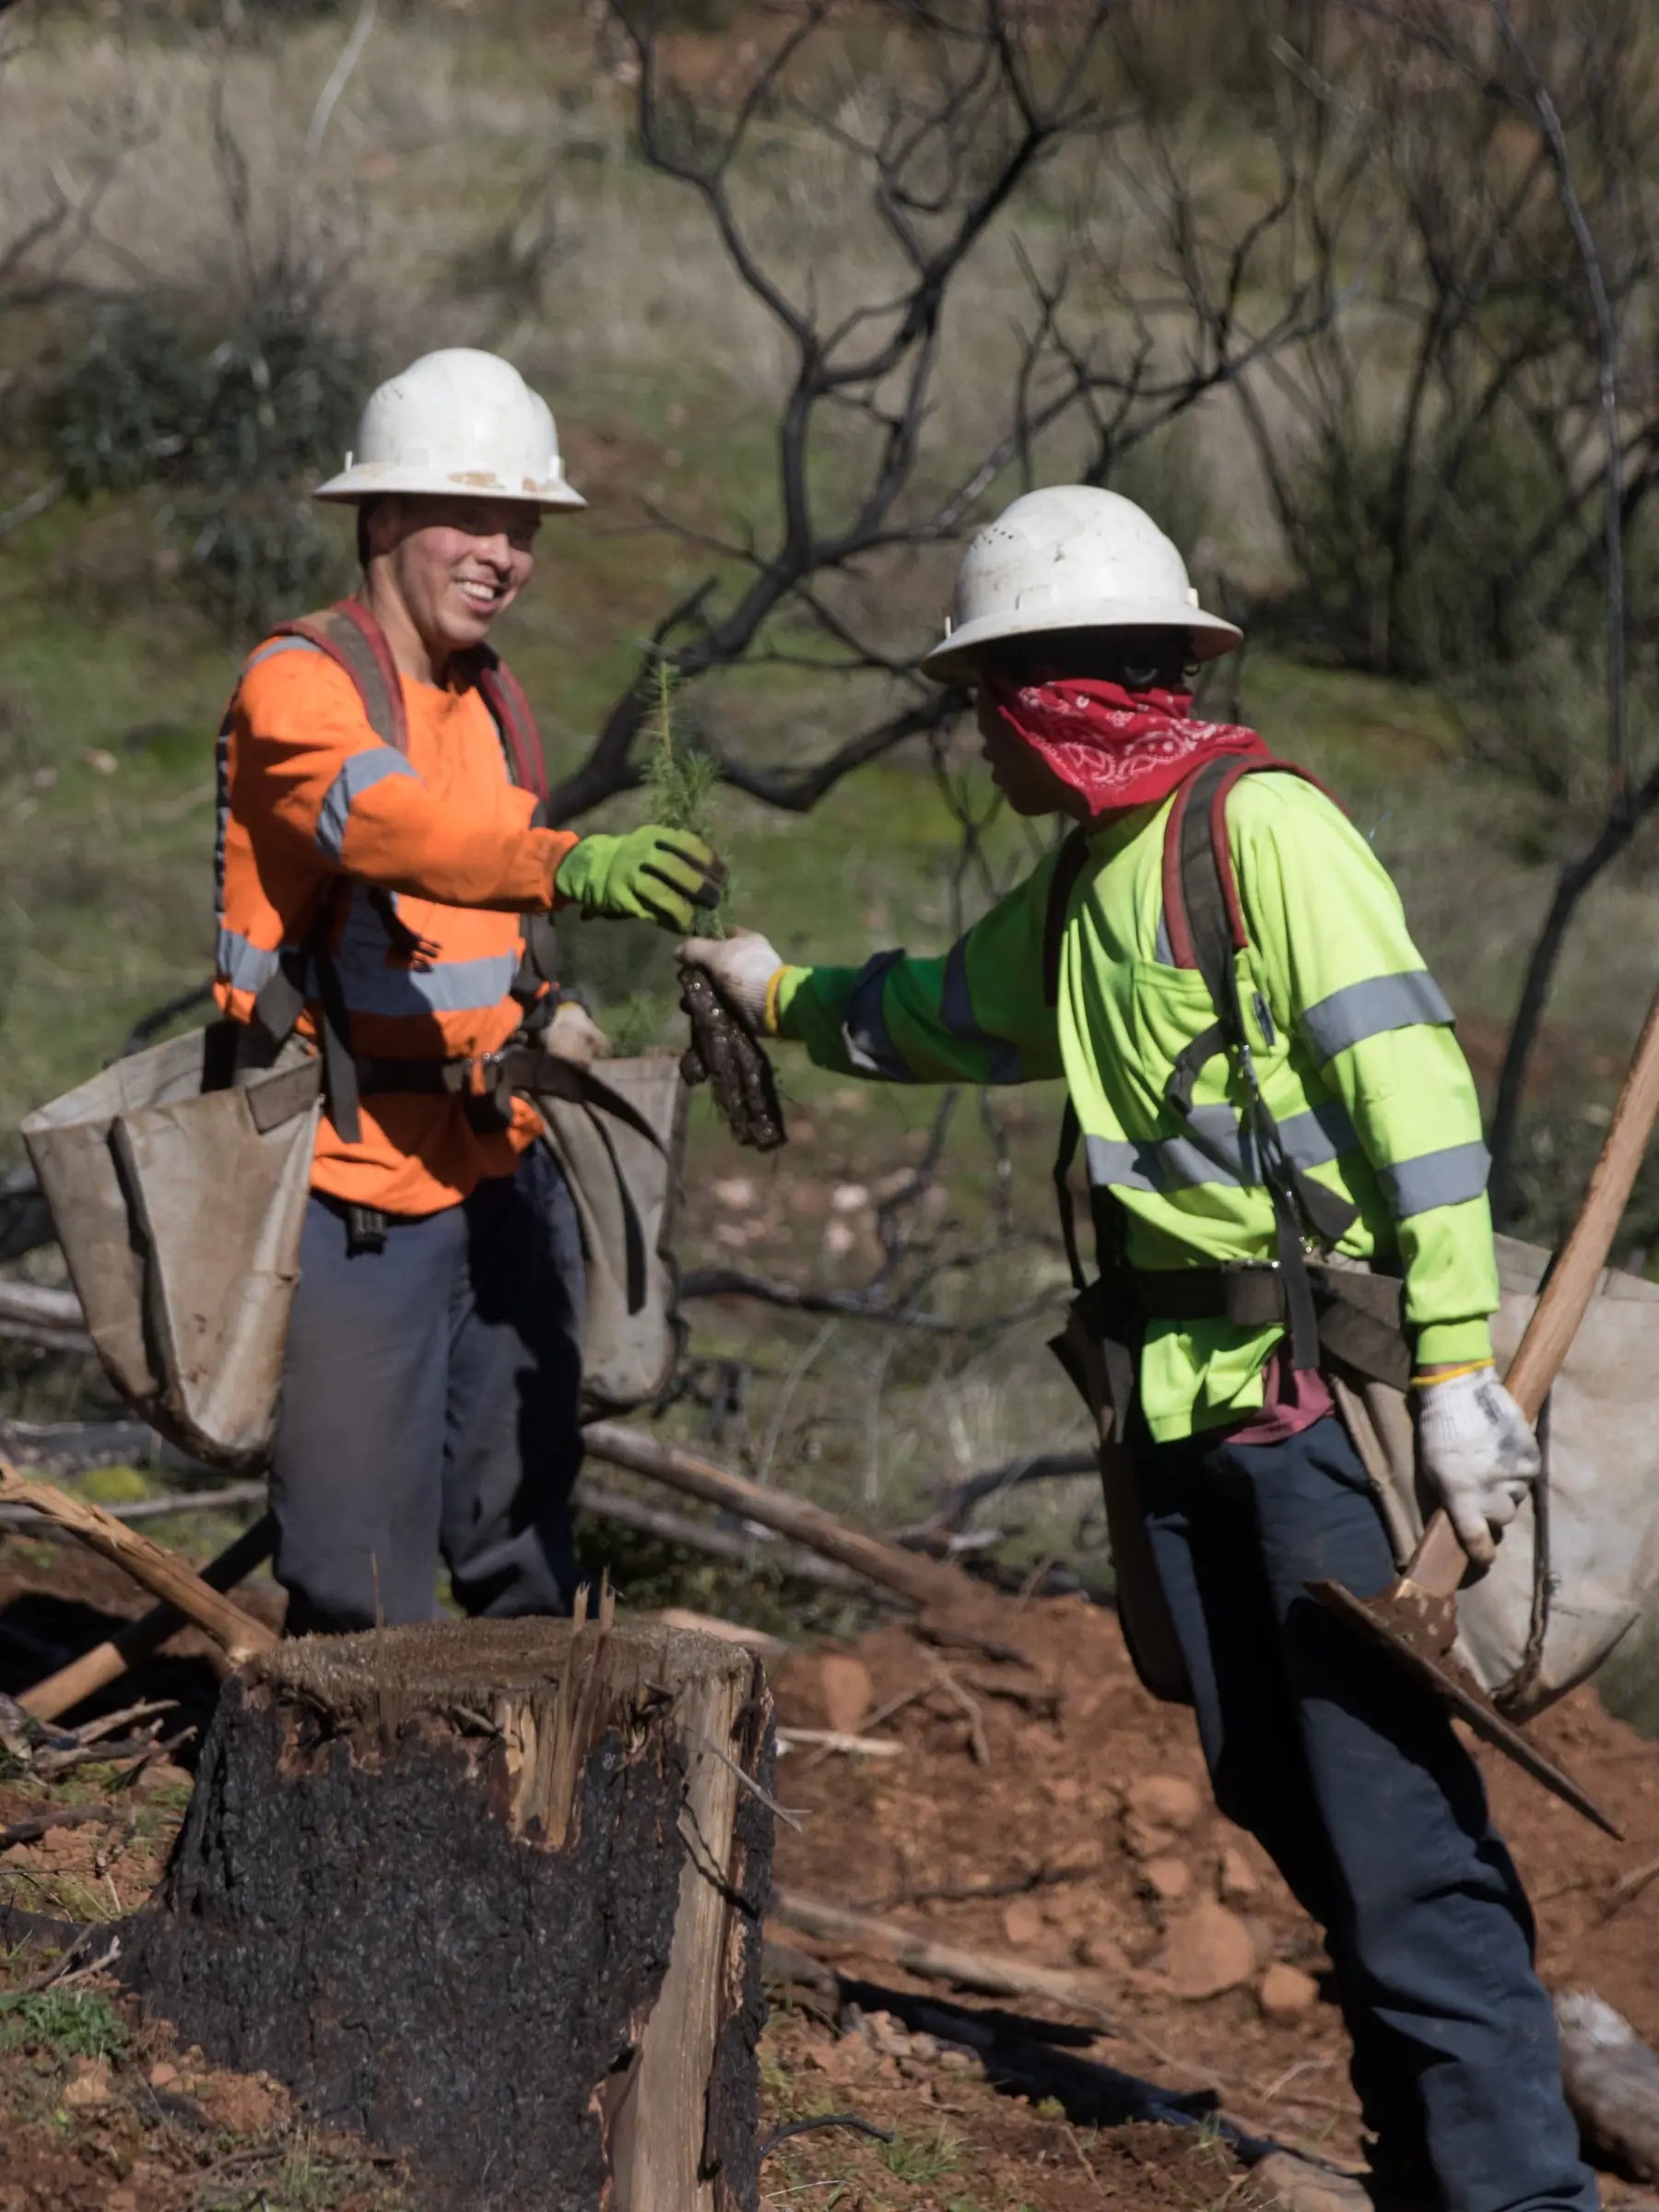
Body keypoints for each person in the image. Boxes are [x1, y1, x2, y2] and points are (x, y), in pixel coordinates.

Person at [679, 485, 1593, 2212]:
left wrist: (1462, 1371)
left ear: (1045, 692)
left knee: (1400, 1846)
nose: (978, 738)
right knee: (1283, 1798)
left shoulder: (1262, 837)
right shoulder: (1094, 876)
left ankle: (1518, 2198)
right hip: (1178, 1415)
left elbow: (1415, 1091)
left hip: (1319, 1417)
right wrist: (782, 988)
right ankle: (1431, 2173)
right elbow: (951, 1011)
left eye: (983, 702)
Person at [216, 347, 723, 1634]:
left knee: (525, 1562)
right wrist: (573, 864)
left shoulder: (495, 701)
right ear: (381, 518)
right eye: (473, 518)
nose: (505, 554)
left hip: (503, 1171)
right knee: (352, 1586)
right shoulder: (299, 687)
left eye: (525, 528)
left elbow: (478, 924)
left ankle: (531, 1820)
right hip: (351, 1193)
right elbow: (386, 827)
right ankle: (348, 1828)